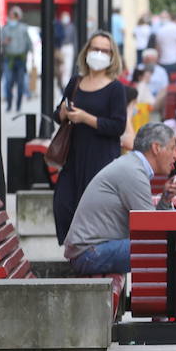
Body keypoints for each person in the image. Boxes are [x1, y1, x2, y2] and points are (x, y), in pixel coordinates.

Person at [63, 122, 176, 274]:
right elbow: (152, 231)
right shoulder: (133, 171)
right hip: (90, 254)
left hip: (92, 251)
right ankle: (174, 296)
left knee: (167, 243)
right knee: (165, 247)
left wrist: (165, 199)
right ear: (156, 148)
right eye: (172, 148)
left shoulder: (132, 165)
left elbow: (151, 225)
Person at [52, 31, 131, 244]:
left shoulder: (115, 88)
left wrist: (87, 118)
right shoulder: (75, 82)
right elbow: (58, 115)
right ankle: (74, 251)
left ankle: (91, 255)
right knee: (64, 204)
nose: (99, 54)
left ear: (112, 56)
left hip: (101, 157)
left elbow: (117, 126)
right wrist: (63, 113)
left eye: (105, 50)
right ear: (86, 51)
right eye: (95, 49)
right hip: (75, 155)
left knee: (93, 210)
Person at [1, 7, 33, 113]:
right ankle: (9, 104)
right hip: (8, 59)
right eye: (10, 17)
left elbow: (29, 43)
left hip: (21, 59)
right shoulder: (5, 29)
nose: (12, 19)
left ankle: (18, 105)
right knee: (8, 82)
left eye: (14, 17)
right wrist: (3, 43)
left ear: (18, 17)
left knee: (20, 83)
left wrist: (31, 56)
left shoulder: (23, 28)